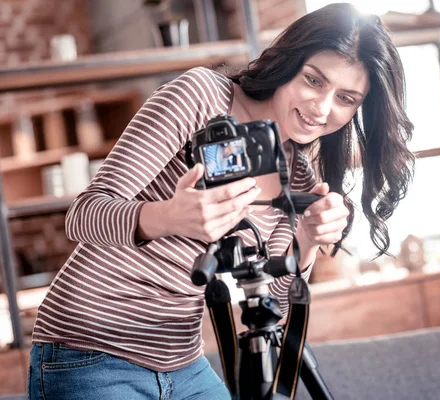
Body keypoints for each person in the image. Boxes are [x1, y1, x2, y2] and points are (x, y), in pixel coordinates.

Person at [27, 3, 414, 399]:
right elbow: (83, 214)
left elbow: (275, 308)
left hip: (181, 361)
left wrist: (307, 242)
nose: (322, 108)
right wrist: (168, 217)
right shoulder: (201, 96)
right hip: (89, 352)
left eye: (346, 99)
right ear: (289, 62)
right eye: (313, 80)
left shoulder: (298, 176)